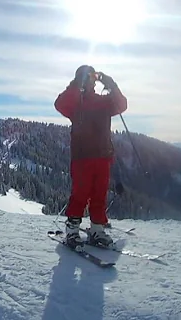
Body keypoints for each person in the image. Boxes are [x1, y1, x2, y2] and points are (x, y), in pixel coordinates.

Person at [54, 65, 127, 247]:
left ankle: (97, 229)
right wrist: (76, 83)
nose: (91, 81)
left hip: (102, 155)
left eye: (92, 78)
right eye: (88, 78)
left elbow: (122, 105)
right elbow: (60, 104)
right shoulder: (76, 102)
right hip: (82, 157)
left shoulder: (102, 102)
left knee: (99, 194)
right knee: (81, 193)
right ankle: (72, 230)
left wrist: (112, 85)